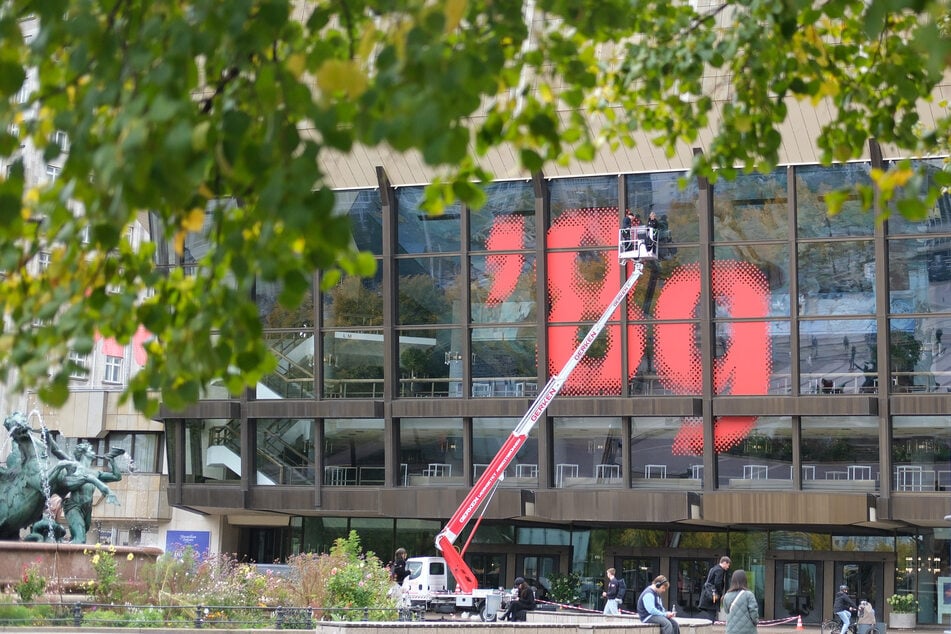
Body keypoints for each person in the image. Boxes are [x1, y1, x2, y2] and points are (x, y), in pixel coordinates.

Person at [49, 440, 123, 543]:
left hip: (87, 508)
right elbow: (57, 450)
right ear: (83, 453)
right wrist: (48, 437)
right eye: (91, 449)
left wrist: (111, 460)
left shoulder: (95, 473)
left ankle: (62, 547)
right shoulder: (74, 466)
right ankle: (59, 553)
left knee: (80, 537)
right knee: (80, 539)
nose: (94, 452)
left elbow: (117, 476)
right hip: (73, 506)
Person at [723, 569, 759, 634]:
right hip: (748, 630)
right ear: (745, 580)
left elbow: (726, 611)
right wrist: (756, 622)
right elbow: (754, 612)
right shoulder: (749, 594)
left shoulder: (727, 595)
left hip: (731, 630)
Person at [699, 555, 732, 621]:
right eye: (728, 565)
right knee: (712, 615)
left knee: (709, 614)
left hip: (708, 595)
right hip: (713, 596)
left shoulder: (714, 568)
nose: (728, 567)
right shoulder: (720, 570)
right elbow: (717, 583)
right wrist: (720, 594)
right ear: (724, 562)